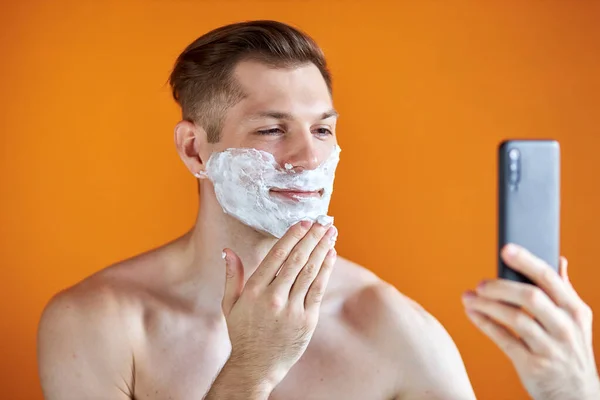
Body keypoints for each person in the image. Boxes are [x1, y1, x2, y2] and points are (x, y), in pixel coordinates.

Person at [36, 20, 599, 400]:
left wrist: (576, 393)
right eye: (272, 129)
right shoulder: (99, 324)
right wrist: (251, 369)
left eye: (323, 129)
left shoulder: (389, 326)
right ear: (194, 149)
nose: (308, 156)